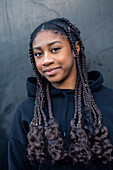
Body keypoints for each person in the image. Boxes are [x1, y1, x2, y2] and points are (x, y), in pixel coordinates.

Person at [8, 18, 113, 170]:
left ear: (75, 48)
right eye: (38, 54)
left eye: (55, 49)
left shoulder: (109, 101)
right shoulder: (27, 112)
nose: (46, 60)